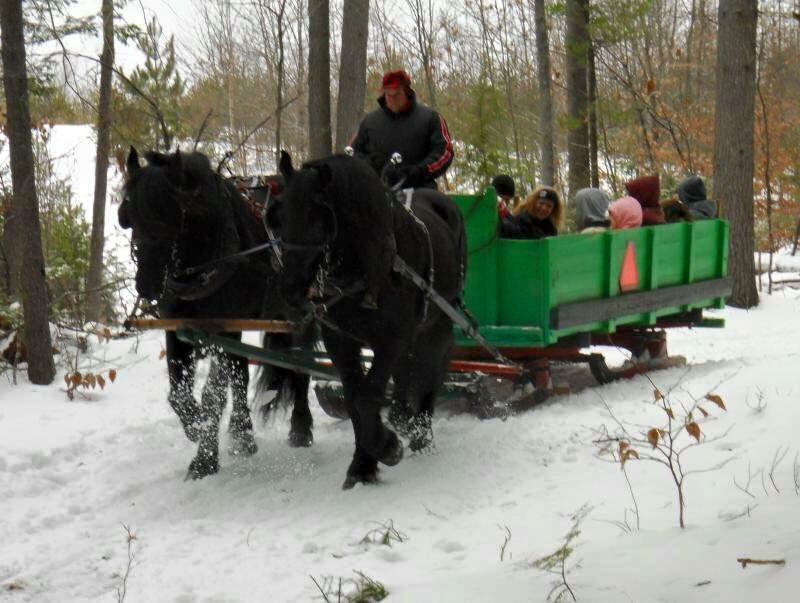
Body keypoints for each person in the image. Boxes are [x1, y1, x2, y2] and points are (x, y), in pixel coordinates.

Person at [350, 69, 454, 189]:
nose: (393, 99)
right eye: (389, 95)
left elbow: (444, 152)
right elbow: (354, 152)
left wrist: (418, 172)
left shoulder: (430, 118)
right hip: (377, 191)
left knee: (440, 206)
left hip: (420, 189)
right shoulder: (370, 122)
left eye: (397, 94)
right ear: (384, 94)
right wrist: (371, 167)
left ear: (407, 92)